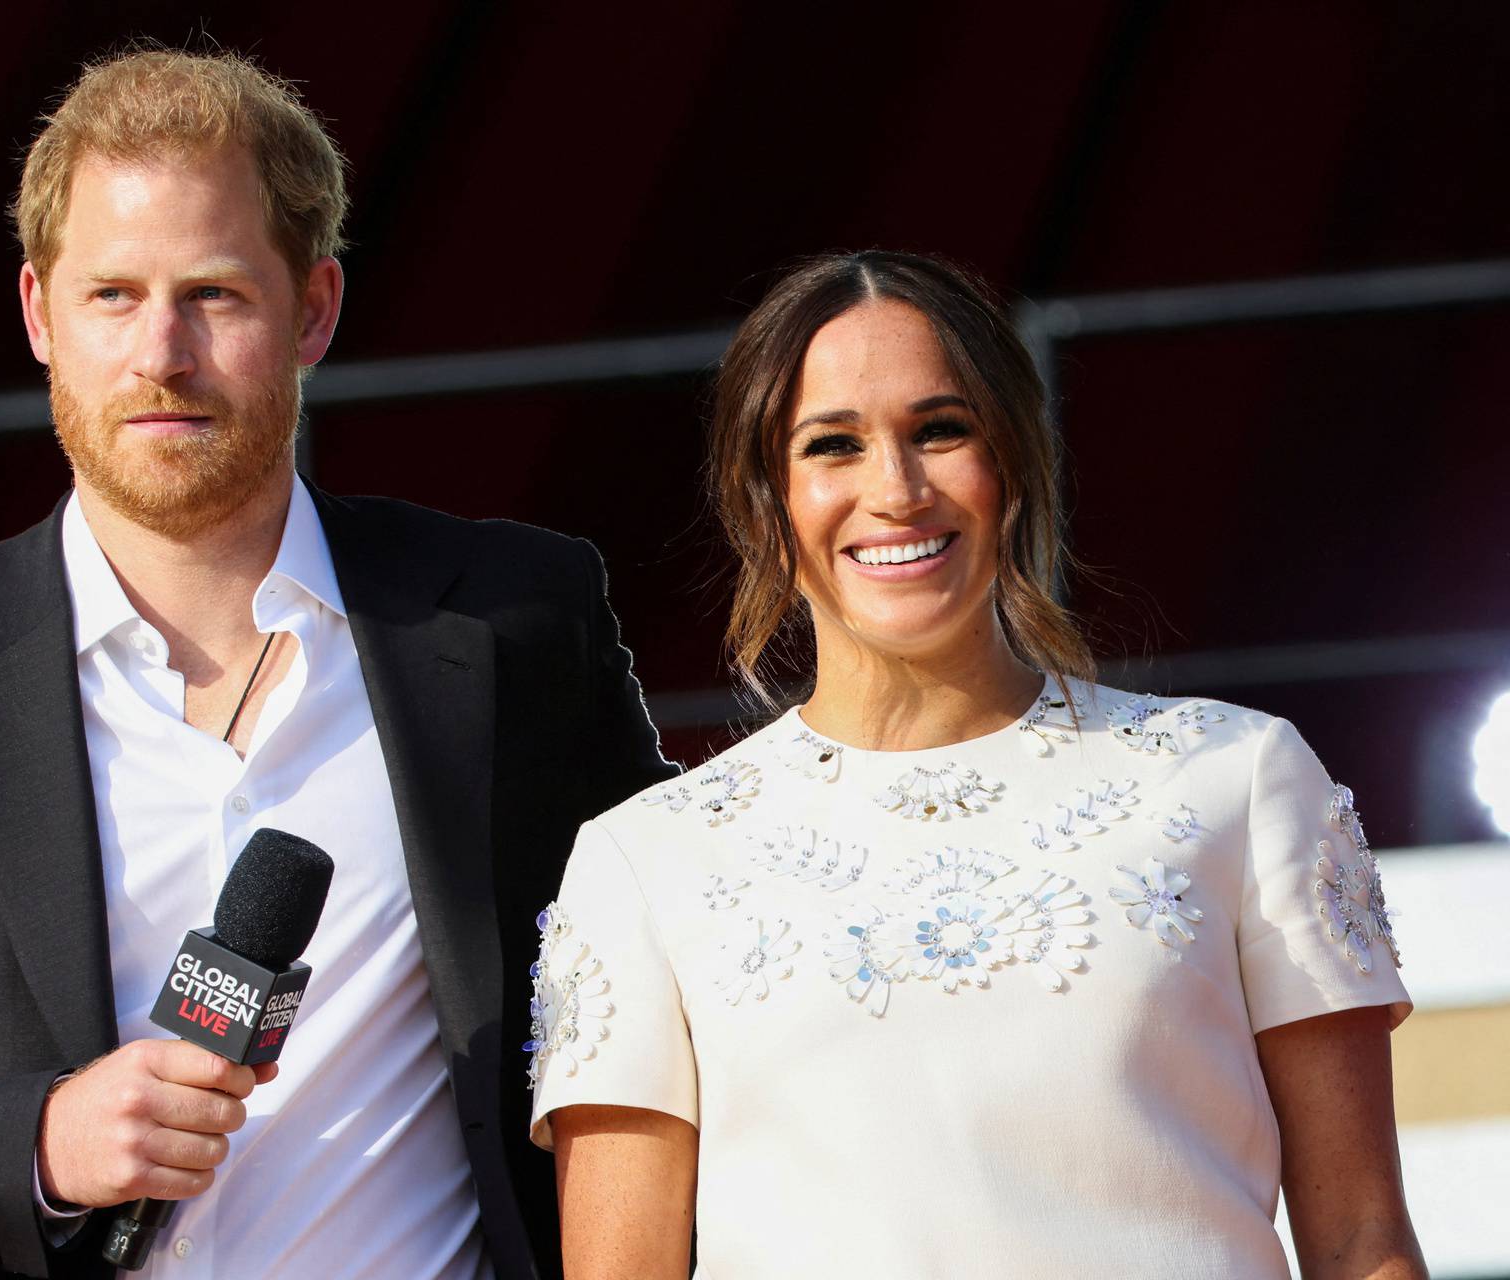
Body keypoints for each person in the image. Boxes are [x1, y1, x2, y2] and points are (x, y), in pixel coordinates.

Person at [0, 49, 671, 1280]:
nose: (162, 352)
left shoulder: (517, 622)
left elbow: (674, 980)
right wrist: (38, 1140)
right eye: (113, 296)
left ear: (315, 309)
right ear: (39, 313)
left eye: (216, 295)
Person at [526, 251, 1426, 1278]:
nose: (897, 489)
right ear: (763, 502)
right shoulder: (647, 861)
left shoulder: (1238, 776)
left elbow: (1364, 1243)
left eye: (939, 430)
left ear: (1012, 463)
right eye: (834, 445)